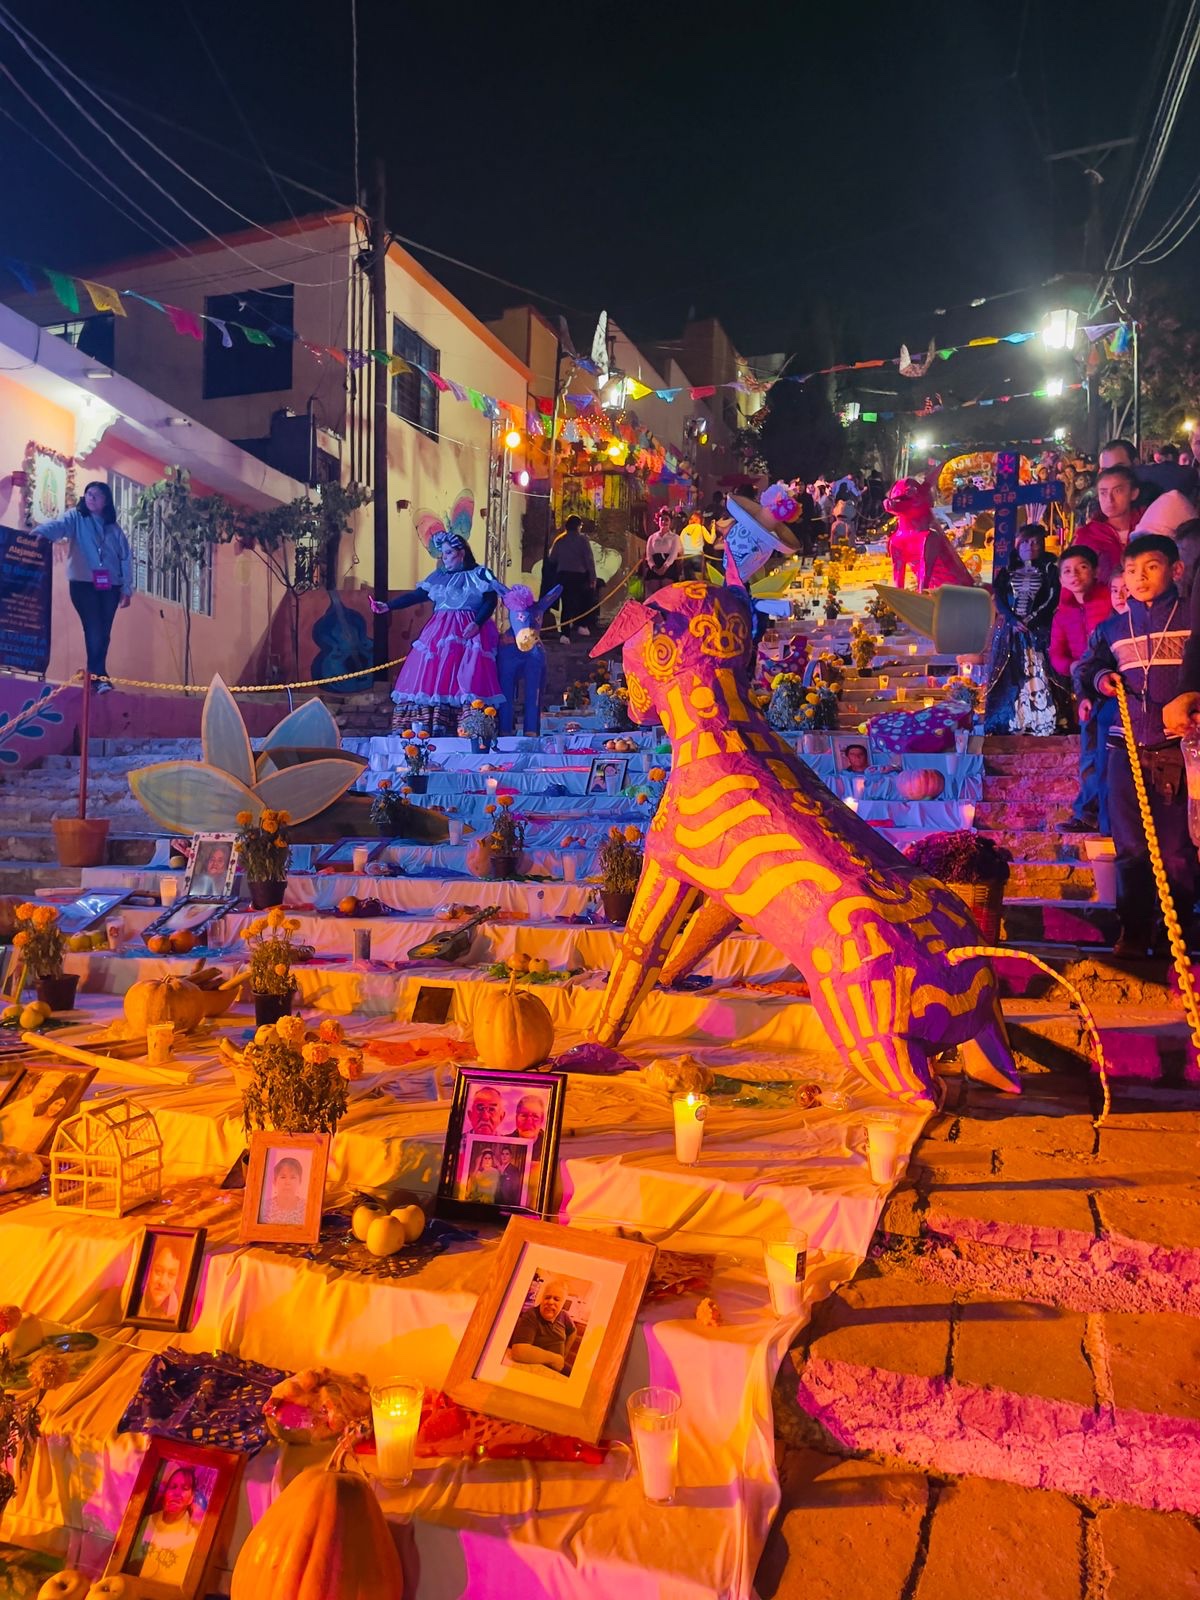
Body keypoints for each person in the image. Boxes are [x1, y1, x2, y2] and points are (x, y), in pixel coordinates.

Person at [1077, 533, 1193, 957]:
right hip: (1125, 750)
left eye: (1151, 567)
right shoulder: (1113, 627)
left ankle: (1176, 932)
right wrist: (1099, 680)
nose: (1139, 577)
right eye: (1131, 570)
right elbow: (1087, 665)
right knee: (1130, 846)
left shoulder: (1192, 620)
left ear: (1176, 570)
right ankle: (1134, 931)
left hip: (1178, 751)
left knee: (1177, 850)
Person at [370, 509, 503, 735]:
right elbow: (417, 595)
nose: (444, 558)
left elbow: (491, 600)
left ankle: (469, 726)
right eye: (443, 554)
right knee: (435, 672)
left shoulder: (479, 574)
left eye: (449, 553)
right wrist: (389, 606)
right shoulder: (439, 577)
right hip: (440, 630)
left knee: (467, 674)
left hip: (468, 630)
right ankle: (430, 726)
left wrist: (477, 623)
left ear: (461, 553)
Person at [34, 482, 133, 691]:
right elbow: (59, 525)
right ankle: (97, 678)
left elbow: (125, 558)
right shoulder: (76, 517)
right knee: (94, 628)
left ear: (106, 501)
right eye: (88, 494)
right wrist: (41, 532)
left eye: (96, 495)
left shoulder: (114, 528)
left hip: (110, 585)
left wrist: (126, 588)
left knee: (104, 632)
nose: (91, 498)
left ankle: (97, 675)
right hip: (83, 583)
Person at [1049, 546, 1113, 833]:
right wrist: (1072, 666)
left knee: (1109, 752)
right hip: (1085, 687)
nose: (1074, 575)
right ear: (1061, 579)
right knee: (1089, 752)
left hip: (1114, 682)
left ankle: (1111, 815)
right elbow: (1056, 654)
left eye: (1082, 567)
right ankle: (1087, 814)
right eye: (1067, 570)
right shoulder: (1062, 613)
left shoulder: (1110, 598)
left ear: (1096, 570)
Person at [985, 527, 1064, 735]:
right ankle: (1010, 720)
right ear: (1018, 545)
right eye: (1026, 542)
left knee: (1041, 671)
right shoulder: (1006, 572)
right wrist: (1012, 620)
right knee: (1010, 673)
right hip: (1011, 633)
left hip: (1039, 632)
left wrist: (1033, 619)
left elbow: (1053, 598)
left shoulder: (1049, 570)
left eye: (1036, 542)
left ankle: (1047, 719)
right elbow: (999, 598)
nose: (1031, 546)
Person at [130, 1465, 201, 1583]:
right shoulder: (147, 1522)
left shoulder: (193, 1537)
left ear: (191, 1498)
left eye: (184, 1488)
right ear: (165, 1493)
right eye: (172, 1487)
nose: (177, 1493)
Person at [1076, 466, 1139, 581]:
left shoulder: (1148, 527)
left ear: (1134, 493)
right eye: (1103, 493)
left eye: (1117, 491)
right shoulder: (1087, 536)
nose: (1109, 499)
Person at [506, 1276, 575, 1373]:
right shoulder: (531, 1315)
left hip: (559, 1366)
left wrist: (564, 1354)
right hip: (544, 1365)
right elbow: (519, 1351)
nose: (550, 1302)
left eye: (556, 1299)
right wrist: (555, 1359)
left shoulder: (564, 1316)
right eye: (547, 1297)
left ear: (563, 1304)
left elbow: (573, 1332)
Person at [548, 516, 597, 642]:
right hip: (579, 576)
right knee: (582, 601)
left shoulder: (560, 540)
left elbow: (552, 558)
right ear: (578, 526)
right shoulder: (582, 540)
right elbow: (589, 560)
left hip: (563, 575)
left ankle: (565, 634)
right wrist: (592, 577)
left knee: (566, 603)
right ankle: (581, 625)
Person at [140, 1239, 184, 1320]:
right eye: (158, 1271)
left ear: (176, 1279)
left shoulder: (179, 1314)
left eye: (171, 1274)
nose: (162, 1282)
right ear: (149, 1270)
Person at [261, 1154, 306, 1227]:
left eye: (293, 1177)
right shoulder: (264, 1207)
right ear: (274, 1181)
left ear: (300, 1181)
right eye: (283, 1177)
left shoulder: (307, 1208)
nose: (287, 1182)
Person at [507, 1093, 546, 1160]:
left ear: (542, 1120)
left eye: (535, 1116)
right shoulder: (503, 1143)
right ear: (516, 1118)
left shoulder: (549, 1147)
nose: (529, 1122)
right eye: (524, 1115)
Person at [679, 511, 706, 580]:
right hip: (691, 555)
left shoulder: (686, 530)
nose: (693, 521)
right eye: (692, 519)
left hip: (692, 555)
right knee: (692, 579)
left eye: (696, 519)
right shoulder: (686, 530)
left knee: (693, 579)